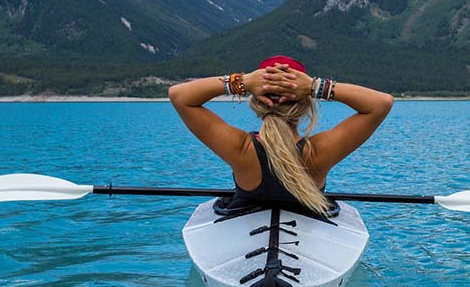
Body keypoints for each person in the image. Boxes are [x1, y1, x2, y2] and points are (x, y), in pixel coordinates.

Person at [168, 56, 393, 214]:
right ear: (306, 103)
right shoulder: (318, 153)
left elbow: (179, 95)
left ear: (256, 101)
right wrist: (316, 85)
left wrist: (242, 81)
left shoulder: (240, 149)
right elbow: (381, 103)